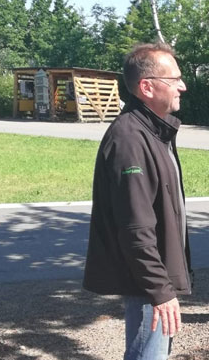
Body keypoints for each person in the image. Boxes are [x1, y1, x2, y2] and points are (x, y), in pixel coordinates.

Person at [83, 42, 192, 360]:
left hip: (153, 280)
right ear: (147, 87)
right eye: (174, 80)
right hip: (146, 284)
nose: (182, 87)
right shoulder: (130, 140)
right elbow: (135, 227)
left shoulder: (154, 133)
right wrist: (159, 289)